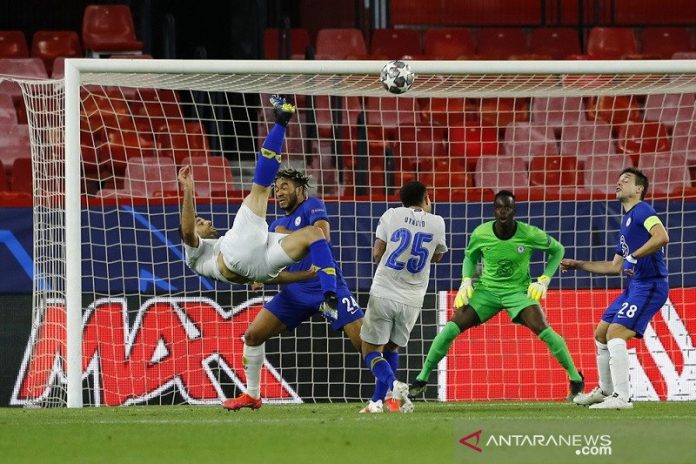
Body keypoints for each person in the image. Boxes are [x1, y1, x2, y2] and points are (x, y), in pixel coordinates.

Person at [409, 190, 585, 400]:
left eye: (508, 208)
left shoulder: (529, 233)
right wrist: (466, 281)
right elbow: (470, 257)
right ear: (494, 210)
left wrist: (545, 279)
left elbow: (558, 250)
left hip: (518, 292)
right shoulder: (481, 233)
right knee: (450, 329)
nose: (503, 212)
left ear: (514, 211)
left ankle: (576, 379)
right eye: (500, 207)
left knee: (543, 329)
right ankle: (421, 378)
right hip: (487, 292)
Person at [178, 95, 338, 317]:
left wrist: (304, 275)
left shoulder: (223, 246)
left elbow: (272, 276)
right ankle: (282, 119)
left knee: (313, 233)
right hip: (235, 256)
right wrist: (187, 189)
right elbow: (186, 231)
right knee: (261, 189)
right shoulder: (194, 254)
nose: (207, 221)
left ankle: (330, 297)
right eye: (200, 222)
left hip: (260, 268)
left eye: (203, 219)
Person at [222, 167, 365, 411]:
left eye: (284, 186)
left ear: (299, 189)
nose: (278, 193)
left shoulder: (311, 206)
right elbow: (271, 265)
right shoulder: (275, 224)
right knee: (253, 336)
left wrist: (285, 234)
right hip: (294, 293)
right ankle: (252, 395)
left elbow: (323, 235)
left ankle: (391, 389)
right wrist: (260, 277)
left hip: (325, 289)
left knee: (364, 343)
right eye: (276, 189)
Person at [562, 167, 669, 410]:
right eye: (619, 179)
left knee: (615, 334)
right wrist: (578, 264)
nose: (619, 183)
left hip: (651, 285)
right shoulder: (626, 222)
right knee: (601, 333)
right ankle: (606, 390)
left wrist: (634, 255)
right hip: (634, 287)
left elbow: (662, 236)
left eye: (626, 180)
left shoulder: (644, 210)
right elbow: (614, 266)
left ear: (639, 188)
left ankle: (623, 398)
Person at [360, 181, 448, 413]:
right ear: (427, 198)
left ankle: (393, 385)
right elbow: (437, 257)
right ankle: (377, 402)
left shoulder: (391, 215)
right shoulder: (438, 223)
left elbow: (377, 252)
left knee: (370, 351)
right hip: (412, 298)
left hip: (384, 290)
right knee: (392, 349)